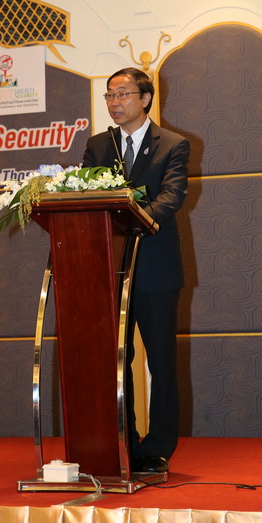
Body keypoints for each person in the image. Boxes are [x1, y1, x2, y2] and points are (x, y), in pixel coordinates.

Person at [82, 66, 189, 475]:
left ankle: (158, 448)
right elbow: (88, 196)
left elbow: (172, 196)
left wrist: (135, 218)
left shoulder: (172, 144)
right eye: (109, 95)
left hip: (156, 269)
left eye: (122, 94)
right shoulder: (98, 145)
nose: (114, 102)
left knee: (161, 362)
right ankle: (123, 439)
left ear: (145, 99)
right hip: (109, 267)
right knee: (116, 360)